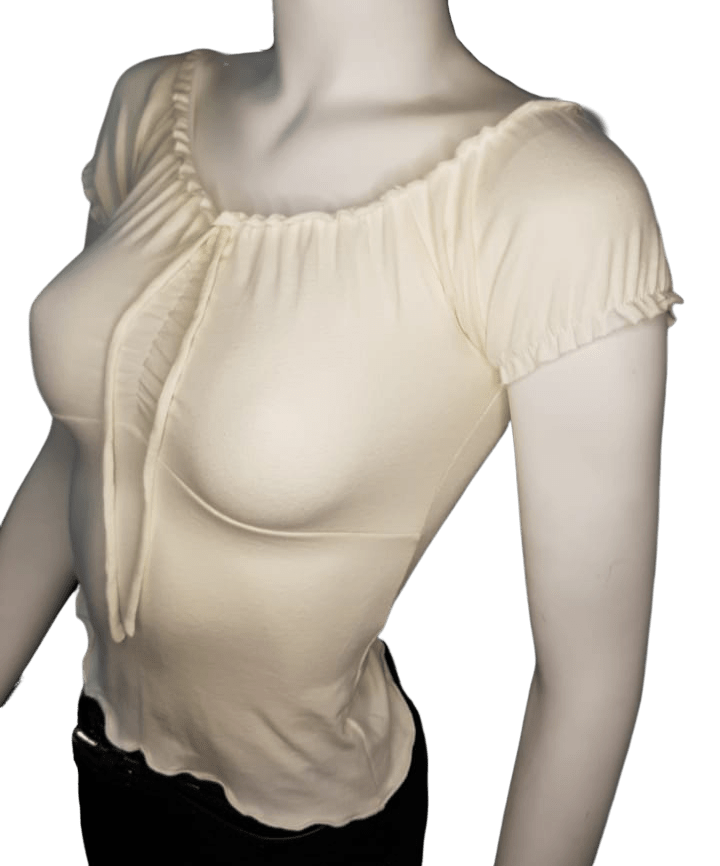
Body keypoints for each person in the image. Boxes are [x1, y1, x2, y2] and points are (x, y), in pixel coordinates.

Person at [0, 1, 683, 864]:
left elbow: (589, 687)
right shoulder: (147, 102)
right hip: (103, 760)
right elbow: (87, 439)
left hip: (307, 837)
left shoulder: (556, 202)